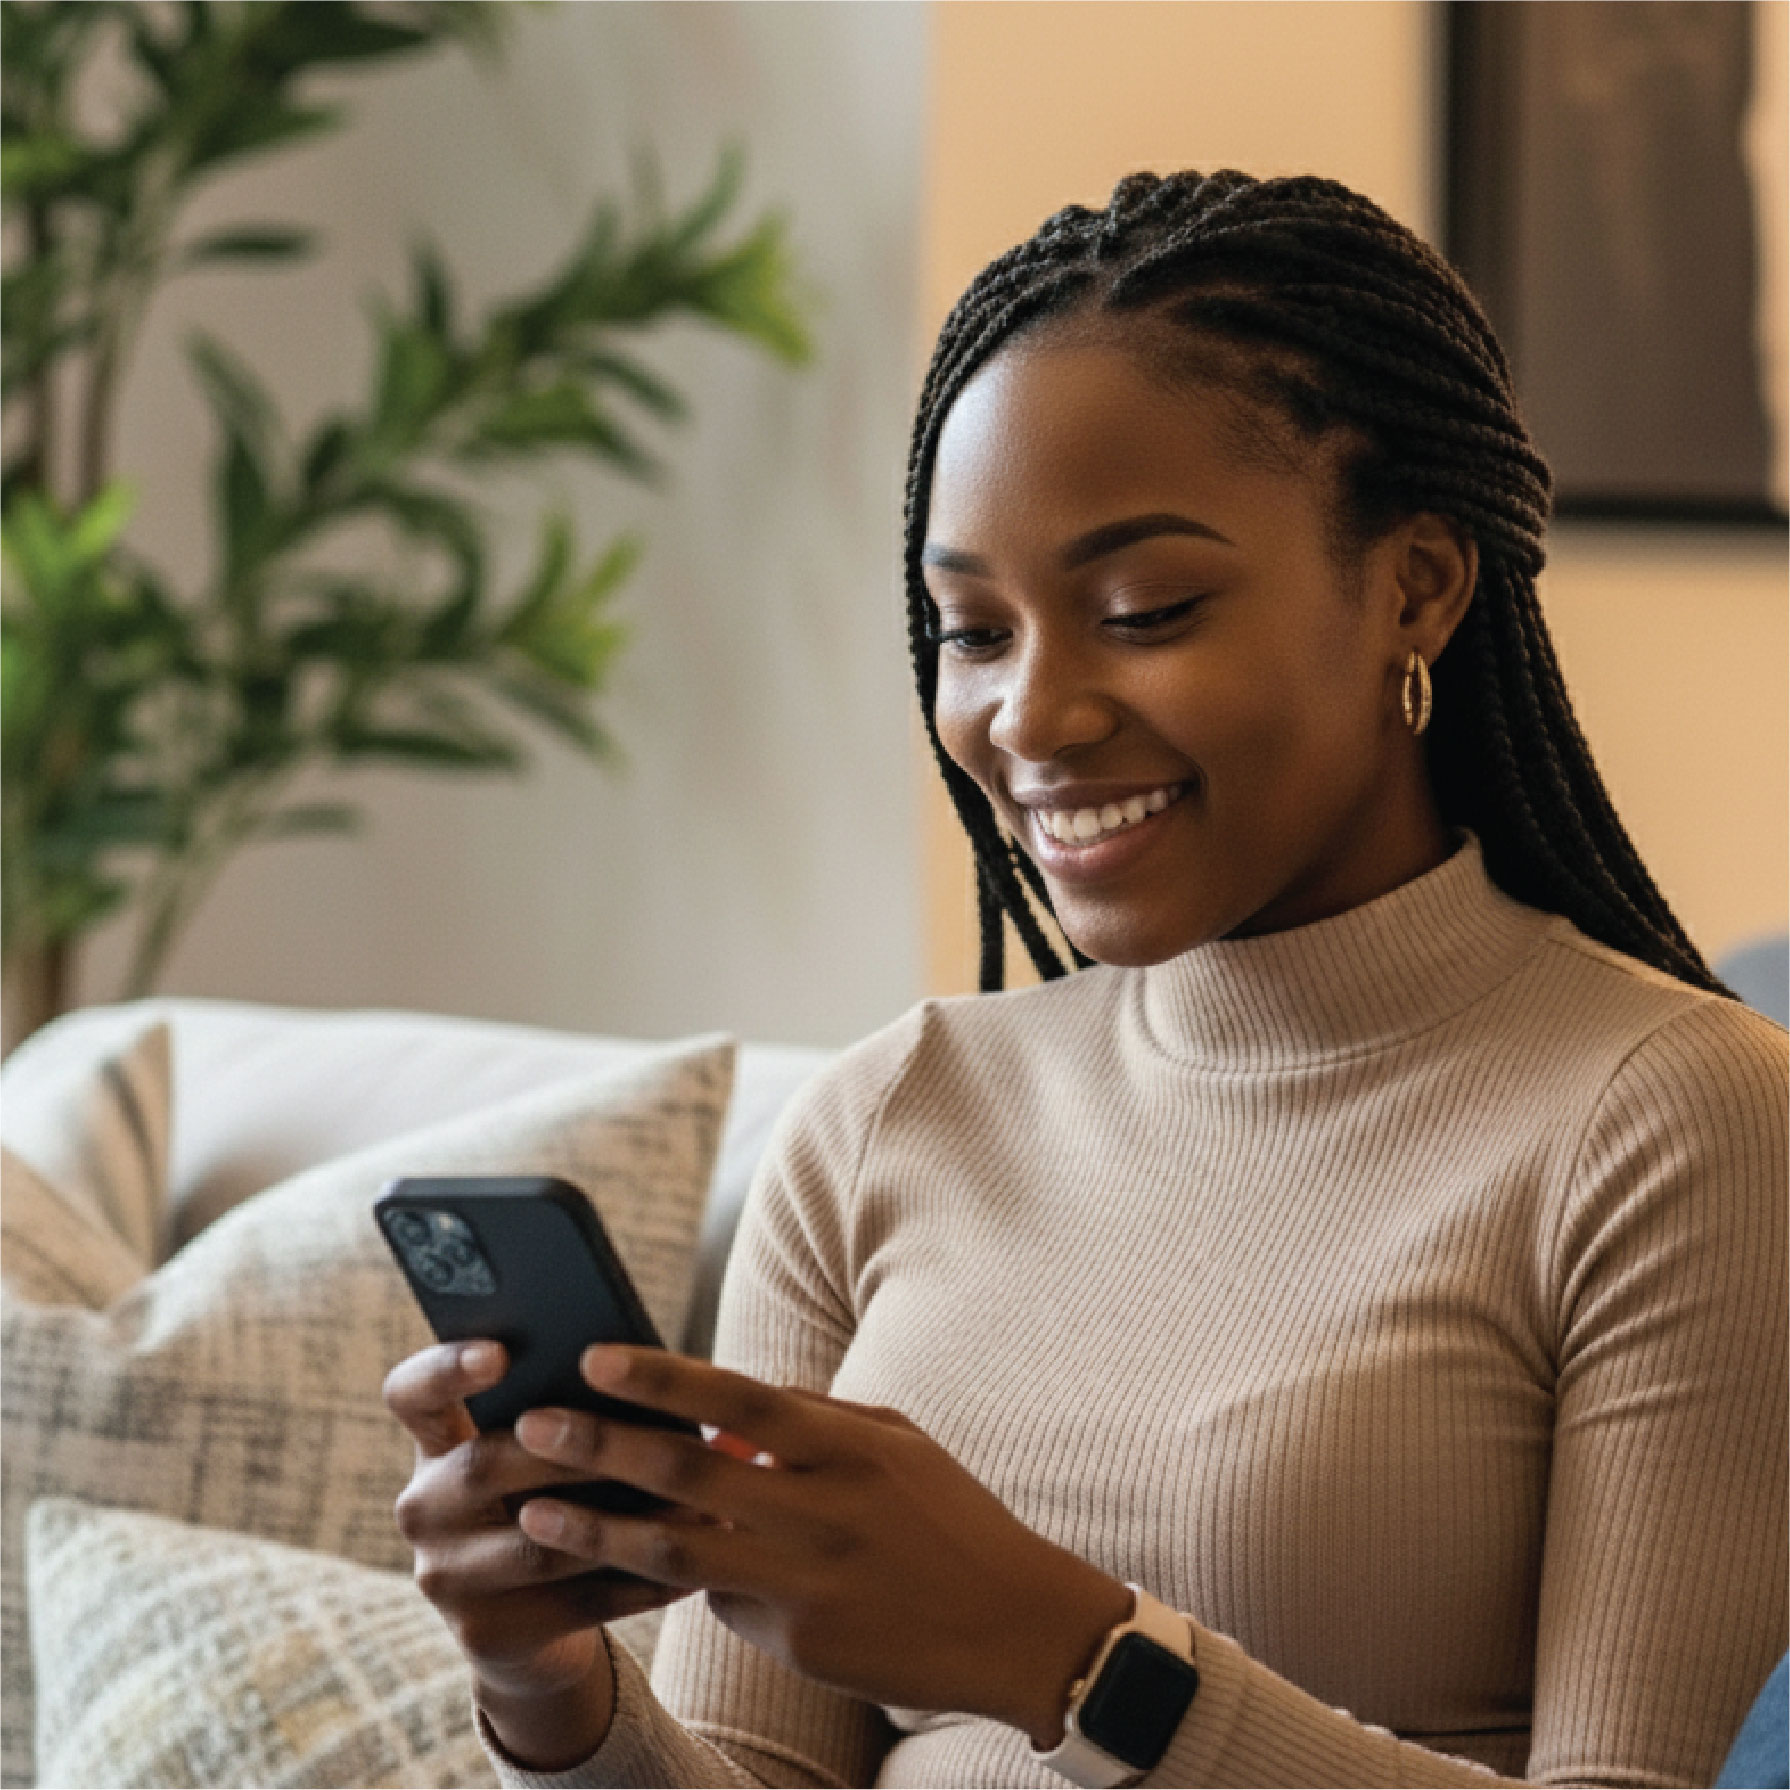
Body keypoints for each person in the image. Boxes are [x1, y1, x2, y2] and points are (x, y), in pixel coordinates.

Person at [383, 169, 1788, 1788]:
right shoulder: (886, 1118)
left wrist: (1068, 1658)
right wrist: (552, 1692)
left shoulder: (1677, 1123)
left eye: (1144, 608)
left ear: (1416, 583)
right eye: (971, 633)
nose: (1031, 719)